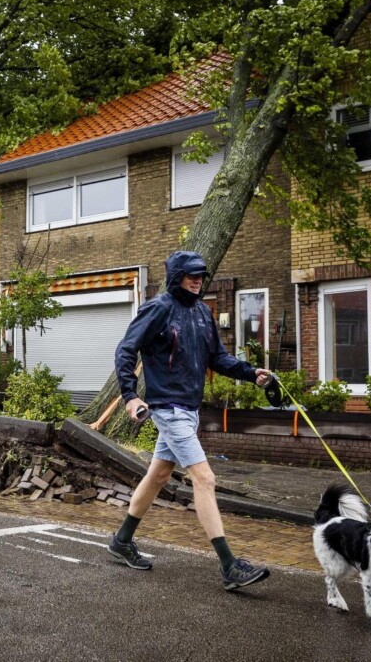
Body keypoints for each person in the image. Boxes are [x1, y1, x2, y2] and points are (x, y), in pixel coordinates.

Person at [108, 250, 272, 591]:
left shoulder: (201, 312)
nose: (198, 280)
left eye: (201, 274)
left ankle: (122, 541)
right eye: (191, 274)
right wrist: (130, 395)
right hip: (167, 407)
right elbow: (126, 350)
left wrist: (249, 372)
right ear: (176, 276)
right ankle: (229, 566)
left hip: (188, 409)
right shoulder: (158, 308)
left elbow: (218, 357)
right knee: (205, 478)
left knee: (159, 475)